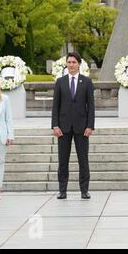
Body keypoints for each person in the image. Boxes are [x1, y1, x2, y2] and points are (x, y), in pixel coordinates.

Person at [51, 52, 95, 200]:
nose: (71, 65)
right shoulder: (60, 82)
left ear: (79, 64)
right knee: (63, 160)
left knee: (83, 160)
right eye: (69, 62)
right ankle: (62, 190)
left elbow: (91, 106)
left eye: (74, 62)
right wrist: (55, 125)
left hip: (82, 127)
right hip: (63, 128)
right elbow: (55, 106)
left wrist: (90, 126)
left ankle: (84, 190)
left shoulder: (87, 82)